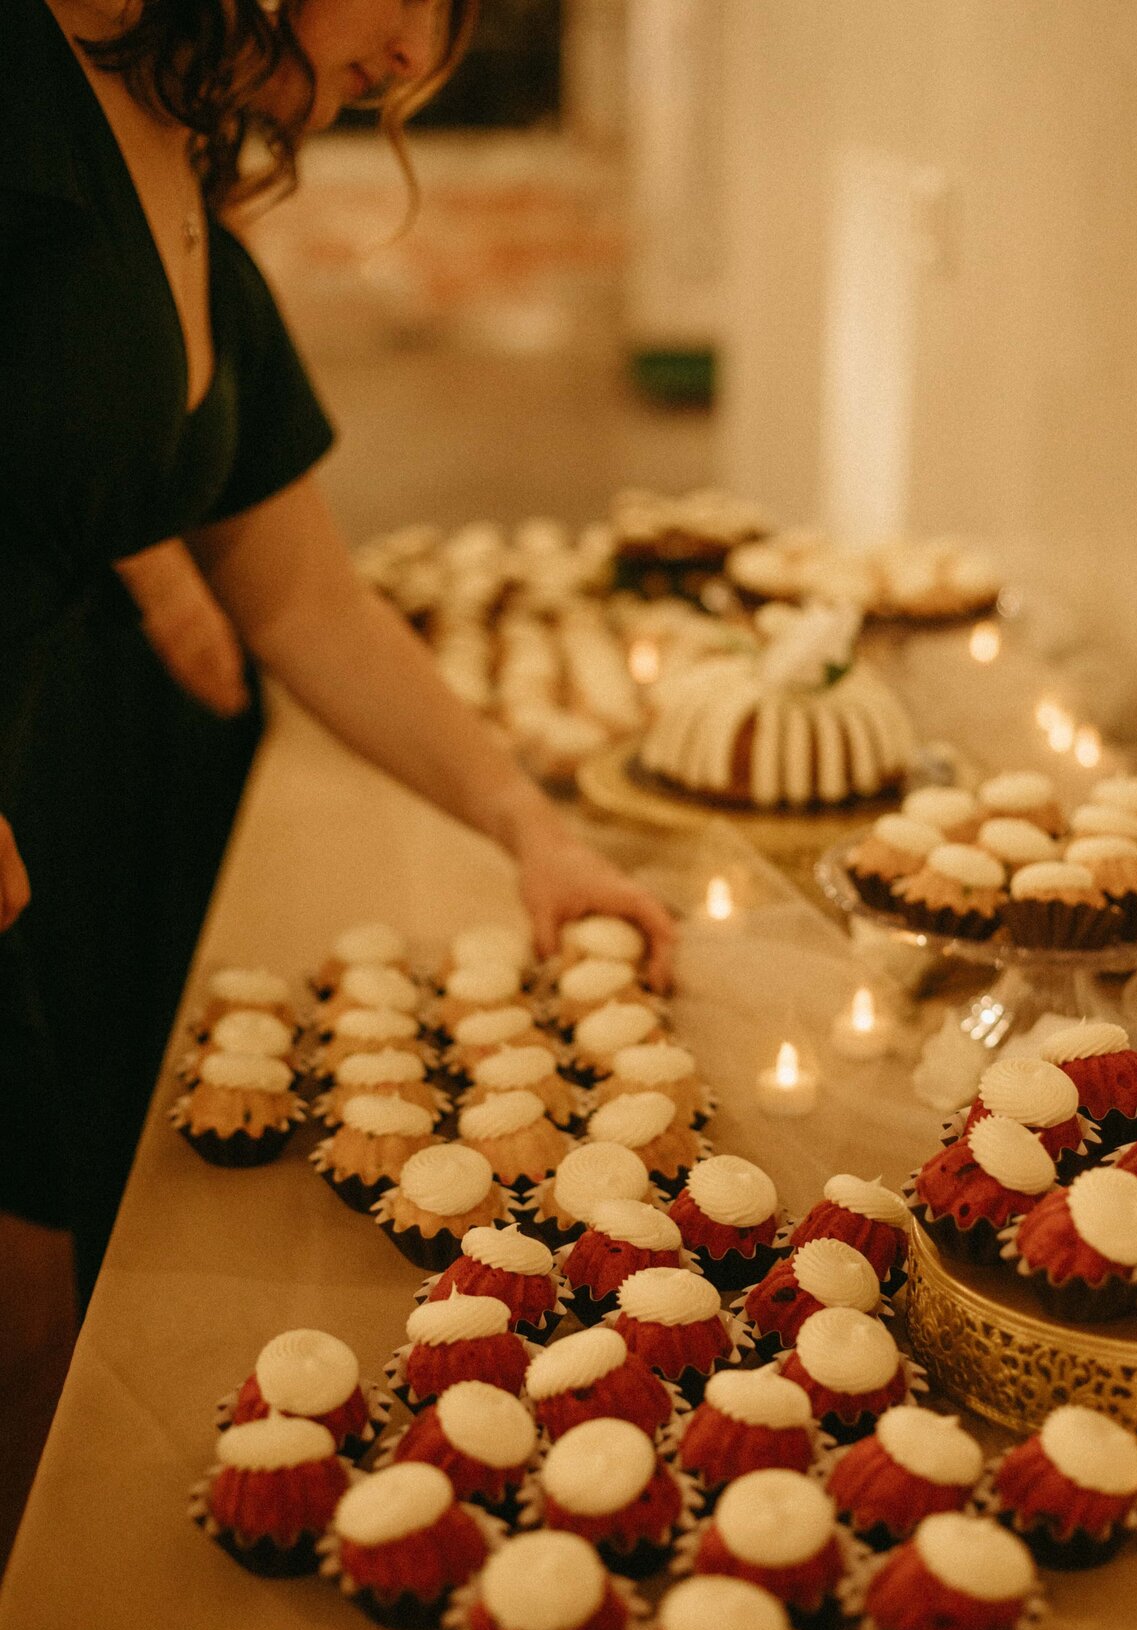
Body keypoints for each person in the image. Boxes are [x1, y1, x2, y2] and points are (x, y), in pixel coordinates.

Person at [0, 0, 675, 1355]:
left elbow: (305, 595)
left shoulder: (178, 159)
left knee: (31, 1335)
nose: (420, 59)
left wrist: (528, 828)